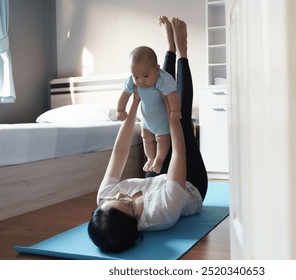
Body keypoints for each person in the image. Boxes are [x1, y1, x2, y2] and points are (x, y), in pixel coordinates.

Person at [88, 16, 208, 253]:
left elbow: (120, 152)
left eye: (110, 199)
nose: (121, 193)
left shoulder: (106, 201)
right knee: (180, 115)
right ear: (137, 222)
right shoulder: (163, 211)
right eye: (125, 201)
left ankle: (168, 49)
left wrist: (134, 105)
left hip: (157, 181)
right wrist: (173, 119)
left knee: (161, 90)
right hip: (190, 184)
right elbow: (179, 154)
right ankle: (181, 50)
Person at [117, 45, 181, 174]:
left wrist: (175, 110)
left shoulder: (162, 79)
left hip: (162, 120)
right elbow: (125, 94)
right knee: (146, 139)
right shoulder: (132, 81)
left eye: (145, 76)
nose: (140, 80)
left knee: (162, 140)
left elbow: (172, 95)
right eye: (136, 77)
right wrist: (120, 109)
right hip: (146, 120)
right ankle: (150, 158)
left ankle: (159, 159)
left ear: (157, 69)